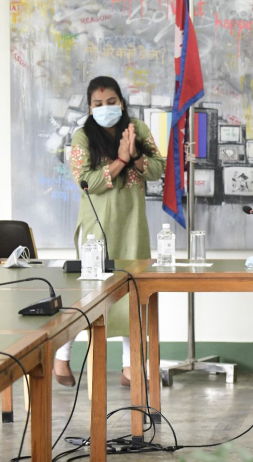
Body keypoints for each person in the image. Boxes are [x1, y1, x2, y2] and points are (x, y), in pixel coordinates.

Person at [55, 76, 165, 387]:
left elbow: (158, 170)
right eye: (98, 104)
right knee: (89, 296)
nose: (105, 108)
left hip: (132, 226)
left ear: (122, 102)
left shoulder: (137, 130)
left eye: (111, 102)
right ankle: (62, 359)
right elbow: (87, 182)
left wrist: (137, 156)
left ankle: (131, 367)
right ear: (90, 108)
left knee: (133, 292)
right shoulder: (82, 137)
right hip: (97, 228)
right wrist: (121, 160)